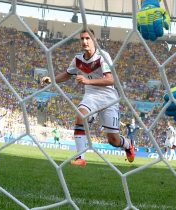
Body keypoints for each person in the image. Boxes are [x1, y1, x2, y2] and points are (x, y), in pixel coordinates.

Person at [40, 28, 135, 165]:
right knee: (80, 116)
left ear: (94, 40)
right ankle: (81, 158)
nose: (84, 41)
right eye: (82, 39)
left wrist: (87, 81)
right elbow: (67, 74)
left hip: (109, 98)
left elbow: (110, 80)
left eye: (87, 38)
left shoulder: (103, 56)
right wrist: (52, 80)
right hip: (91, 96)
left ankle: (128, 145)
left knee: (113, 140)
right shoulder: (78, 59)